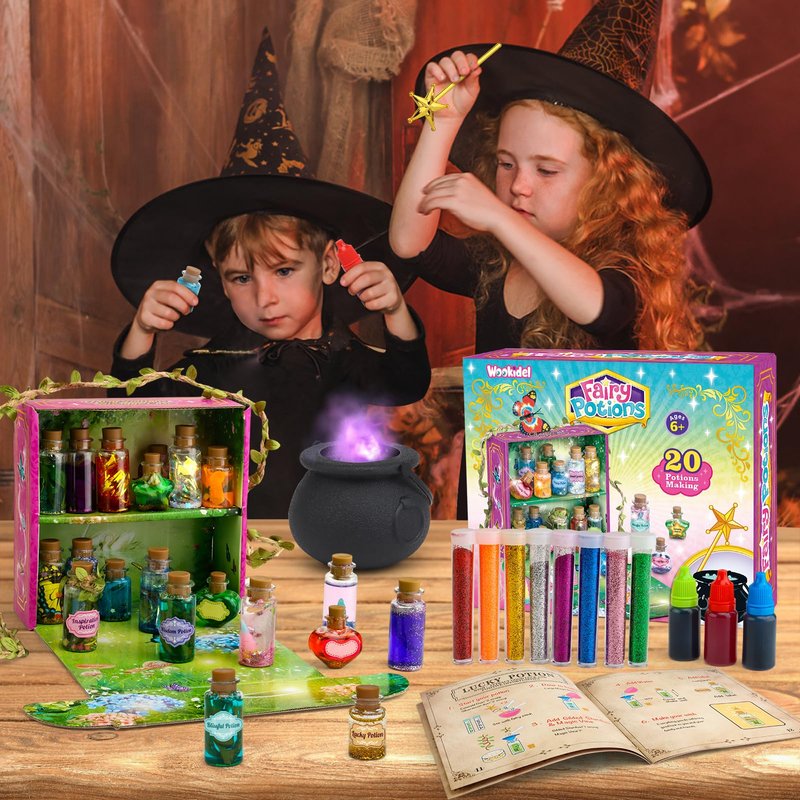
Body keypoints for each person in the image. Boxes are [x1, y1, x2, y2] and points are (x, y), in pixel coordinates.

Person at [110, 27, 429, 518]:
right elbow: (132, 404)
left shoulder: (346, 359)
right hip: (239, 542)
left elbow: (407, 382)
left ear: (327, 264)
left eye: (283, 271)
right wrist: (142, 331)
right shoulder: (212, 368)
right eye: (242, 278)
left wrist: (395, 311)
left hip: (331, 536)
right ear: (220, 280)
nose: (265, 297)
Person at [390, 0, 712, 353]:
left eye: (546, 170)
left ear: (608, 184)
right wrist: (443, 122)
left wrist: (498, 217)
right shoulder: (495, 266)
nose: (518, 186)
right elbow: (409, 243)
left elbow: (599, 310)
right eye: (506, 164)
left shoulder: (624, 270)